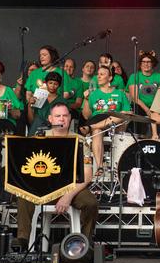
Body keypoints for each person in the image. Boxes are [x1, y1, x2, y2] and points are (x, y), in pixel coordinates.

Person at [14, 102, 98, 247]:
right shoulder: (39, 138)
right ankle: (22, 241)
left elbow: (88, 175)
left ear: (70, 118)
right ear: (50, 119)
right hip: (42, 186)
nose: (61, 119)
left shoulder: (80, 141)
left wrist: (68, 196)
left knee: (91, 203)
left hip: (71, 187)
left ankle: (84, 243)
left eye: (65, 116)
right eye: (57, 116)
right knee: (23, 194)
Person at [82, 66, 131, 175]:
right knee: (96, 131)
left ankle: (93, 127)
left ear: (110, 78)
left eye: (102, 74)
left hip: (116, 124)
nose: (98, 76)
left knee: (122, 115)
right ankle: (100, 167)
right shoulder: (93, 94)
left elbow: (128, 113)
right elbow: (86, 116)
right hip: (97, 121)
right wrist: (85, 99)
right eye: (98, 74)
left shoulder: (119, 93)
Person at [27, 72, 66, 136]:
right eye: (50, 83)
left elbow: (63, 124)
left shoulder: (62, 101)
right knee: (38, 120)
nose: (52, 86)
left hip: (53, 130)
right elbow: (31, 121)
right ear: (46, 83)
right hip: (37, 128)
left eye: (55, 84)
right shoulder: (38, 97)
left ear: (59, 85)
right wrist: (29, 105)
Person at [126, 51, 160, 119]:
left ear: (153, 63)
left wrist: (154, 110)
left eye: (149, 62)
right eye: (144, 62)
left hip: (155, 107)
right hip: (139, 108)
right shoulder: (134, 76)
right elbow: (135, 98)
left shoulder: (159, 77)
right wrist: (147, 110)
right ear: (140, 64)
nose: (146, 64)